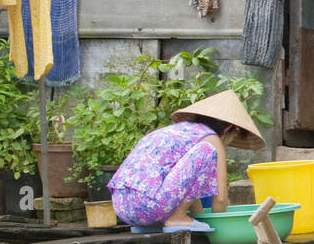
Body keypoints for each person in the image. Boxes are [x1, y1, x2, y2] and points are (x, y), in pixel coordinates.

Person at [107, 90, 265, 233]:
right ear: (232, 130)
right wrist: (224, 226)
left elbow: (188, 187)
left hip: (123, 208)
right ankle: (177, 217)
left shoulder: (177, 132)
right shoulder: (211, 139)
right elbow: (221, 199)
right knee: (208, 151)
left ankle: (171, 218)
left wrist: (201, 217)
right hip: (150, 205)